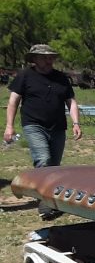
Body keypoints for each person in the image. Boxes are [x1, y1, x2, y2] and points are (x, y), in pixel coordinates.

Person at [4, 44, 82, 219]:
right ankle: (45, 204)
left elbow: (71, 102)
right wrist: (9, 126)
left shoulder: (61, 78)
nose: (49, 61)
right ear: (34, 59)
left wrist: (76, 122)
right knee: (43, 160)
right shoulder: (24, 76)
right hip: (33, 125)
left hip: (58, 127)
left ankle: (48, 195)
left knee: (53, 166)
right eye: (44, 57)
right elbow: (13, 101)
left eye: (51, 57)